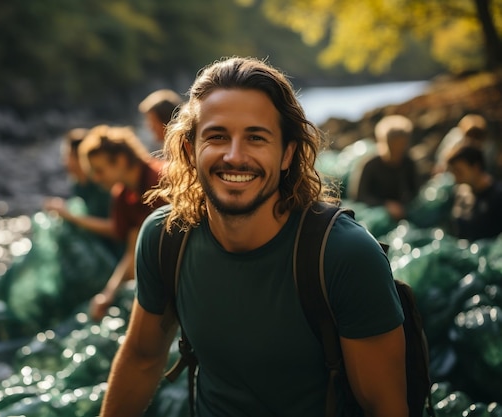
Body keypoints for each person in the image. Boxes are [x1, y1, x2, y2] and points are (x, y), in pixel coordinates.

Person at [100, 57, 407, 416]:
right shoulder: (166, 237)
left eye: (256, 138)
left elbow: (386, 407)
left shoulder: (344, 254)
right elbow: (141, 358)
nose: (234, 156)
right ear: (189, 150)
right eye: (216, 137)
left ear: (287, 154)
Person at [75, 125, 166, 321]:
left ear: (122, 160)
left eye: (99, 171)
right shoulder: (123, 196)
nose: (97, 179)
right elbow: (132, 250)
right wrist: (108, 293)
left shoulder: (161, 179)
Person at [43, 127, 122, 259]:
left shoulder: (102, 185)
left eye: (67, 156)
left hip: (112, 253)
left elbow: (116, 229)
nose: (64, 162)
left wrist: (71, 216)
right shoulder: (77, 185)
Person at [349, 114, 421, 221]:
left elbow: (415, 191)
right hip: (374, 213)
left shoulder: (408, 163)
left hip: (401, 211)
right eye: (394, 146)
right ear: (384, 142)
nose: (398, 151)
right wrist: (386, 205)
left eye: (402, 146)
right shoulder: (370, 164)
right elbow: (359, 196)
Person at [446, 144, 502, 241]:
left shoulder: (497, 196)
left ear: (476, 168)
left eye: (459, 171)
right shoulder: (461, 194)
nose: (456, 177)